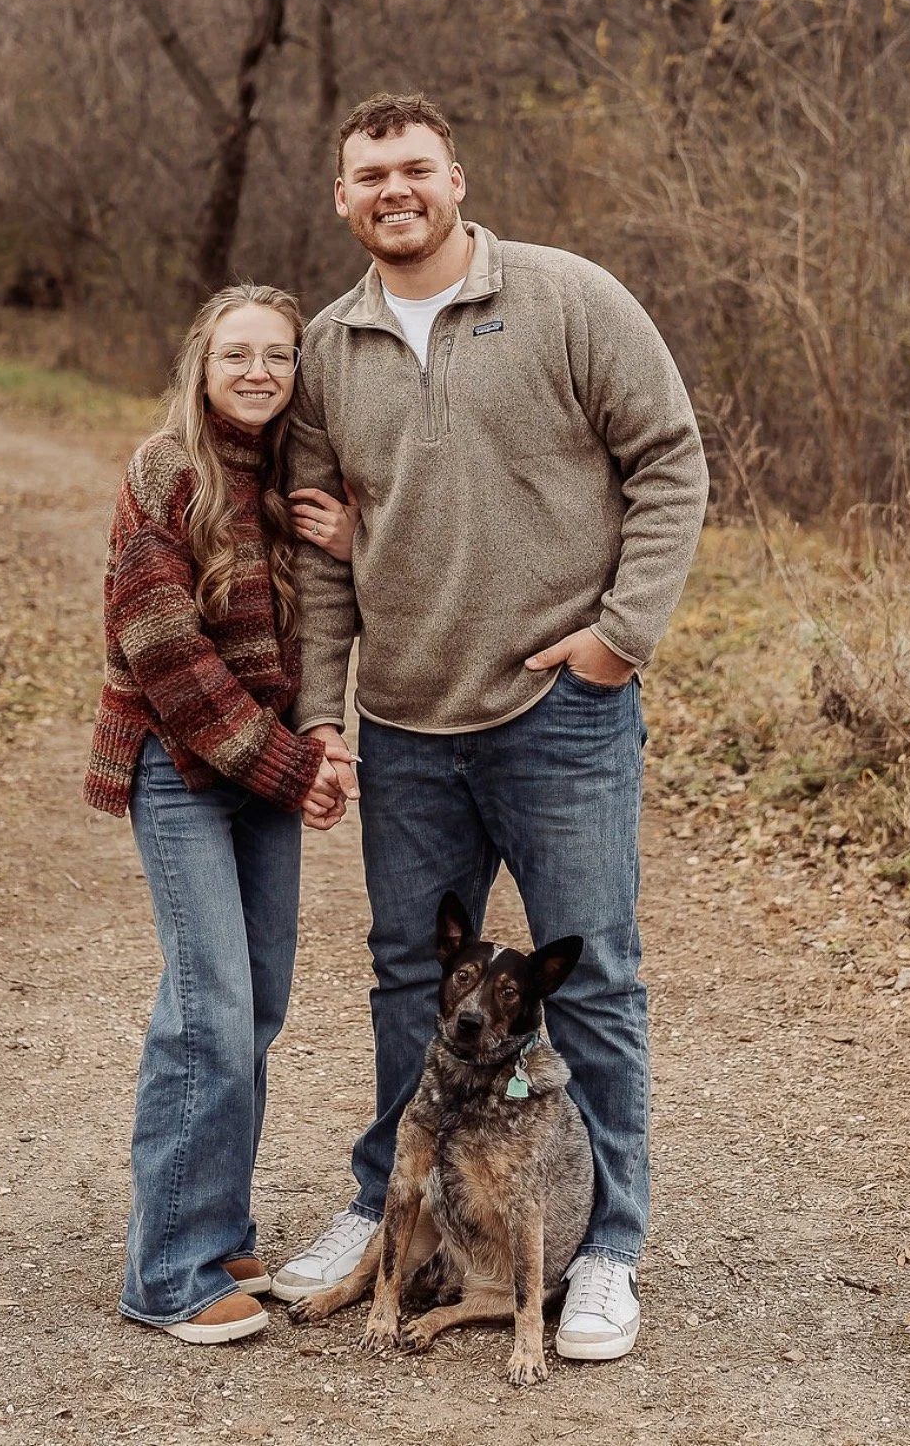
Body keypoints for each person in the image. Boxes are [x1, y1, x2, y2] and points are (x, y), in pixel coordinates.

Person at [272, 93, 709, 1362]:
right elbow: (320, 556)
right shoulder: (327, 346)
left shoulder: (570, 298)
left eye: (415, 166)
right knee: (412, 981)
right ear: (343, 198)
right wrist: (322, 714)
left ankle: (608, 1248)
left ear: (456, 175)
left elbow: (670, 461)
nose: (393, 189)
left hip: (560, 718)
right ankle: (387, 1208)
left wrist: (619, 640)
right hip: (405, 722)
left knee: (601, 986)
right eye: (369, 176)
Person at [83, 283, 356, 1347]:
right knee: (207, 1015)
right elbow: (166, 655)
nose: (257, 372)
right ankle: (167, 1273)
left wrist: (355, 537)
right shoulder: (166, 472)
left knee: (257, 1008)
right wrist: (294, 769)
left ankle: (219, 1226)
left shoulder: (291, 484)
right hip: (180, 771)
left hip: (260, 775)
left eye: (278, 358)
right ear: (202, 365)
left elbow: (327, 621)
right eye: (236, 353)